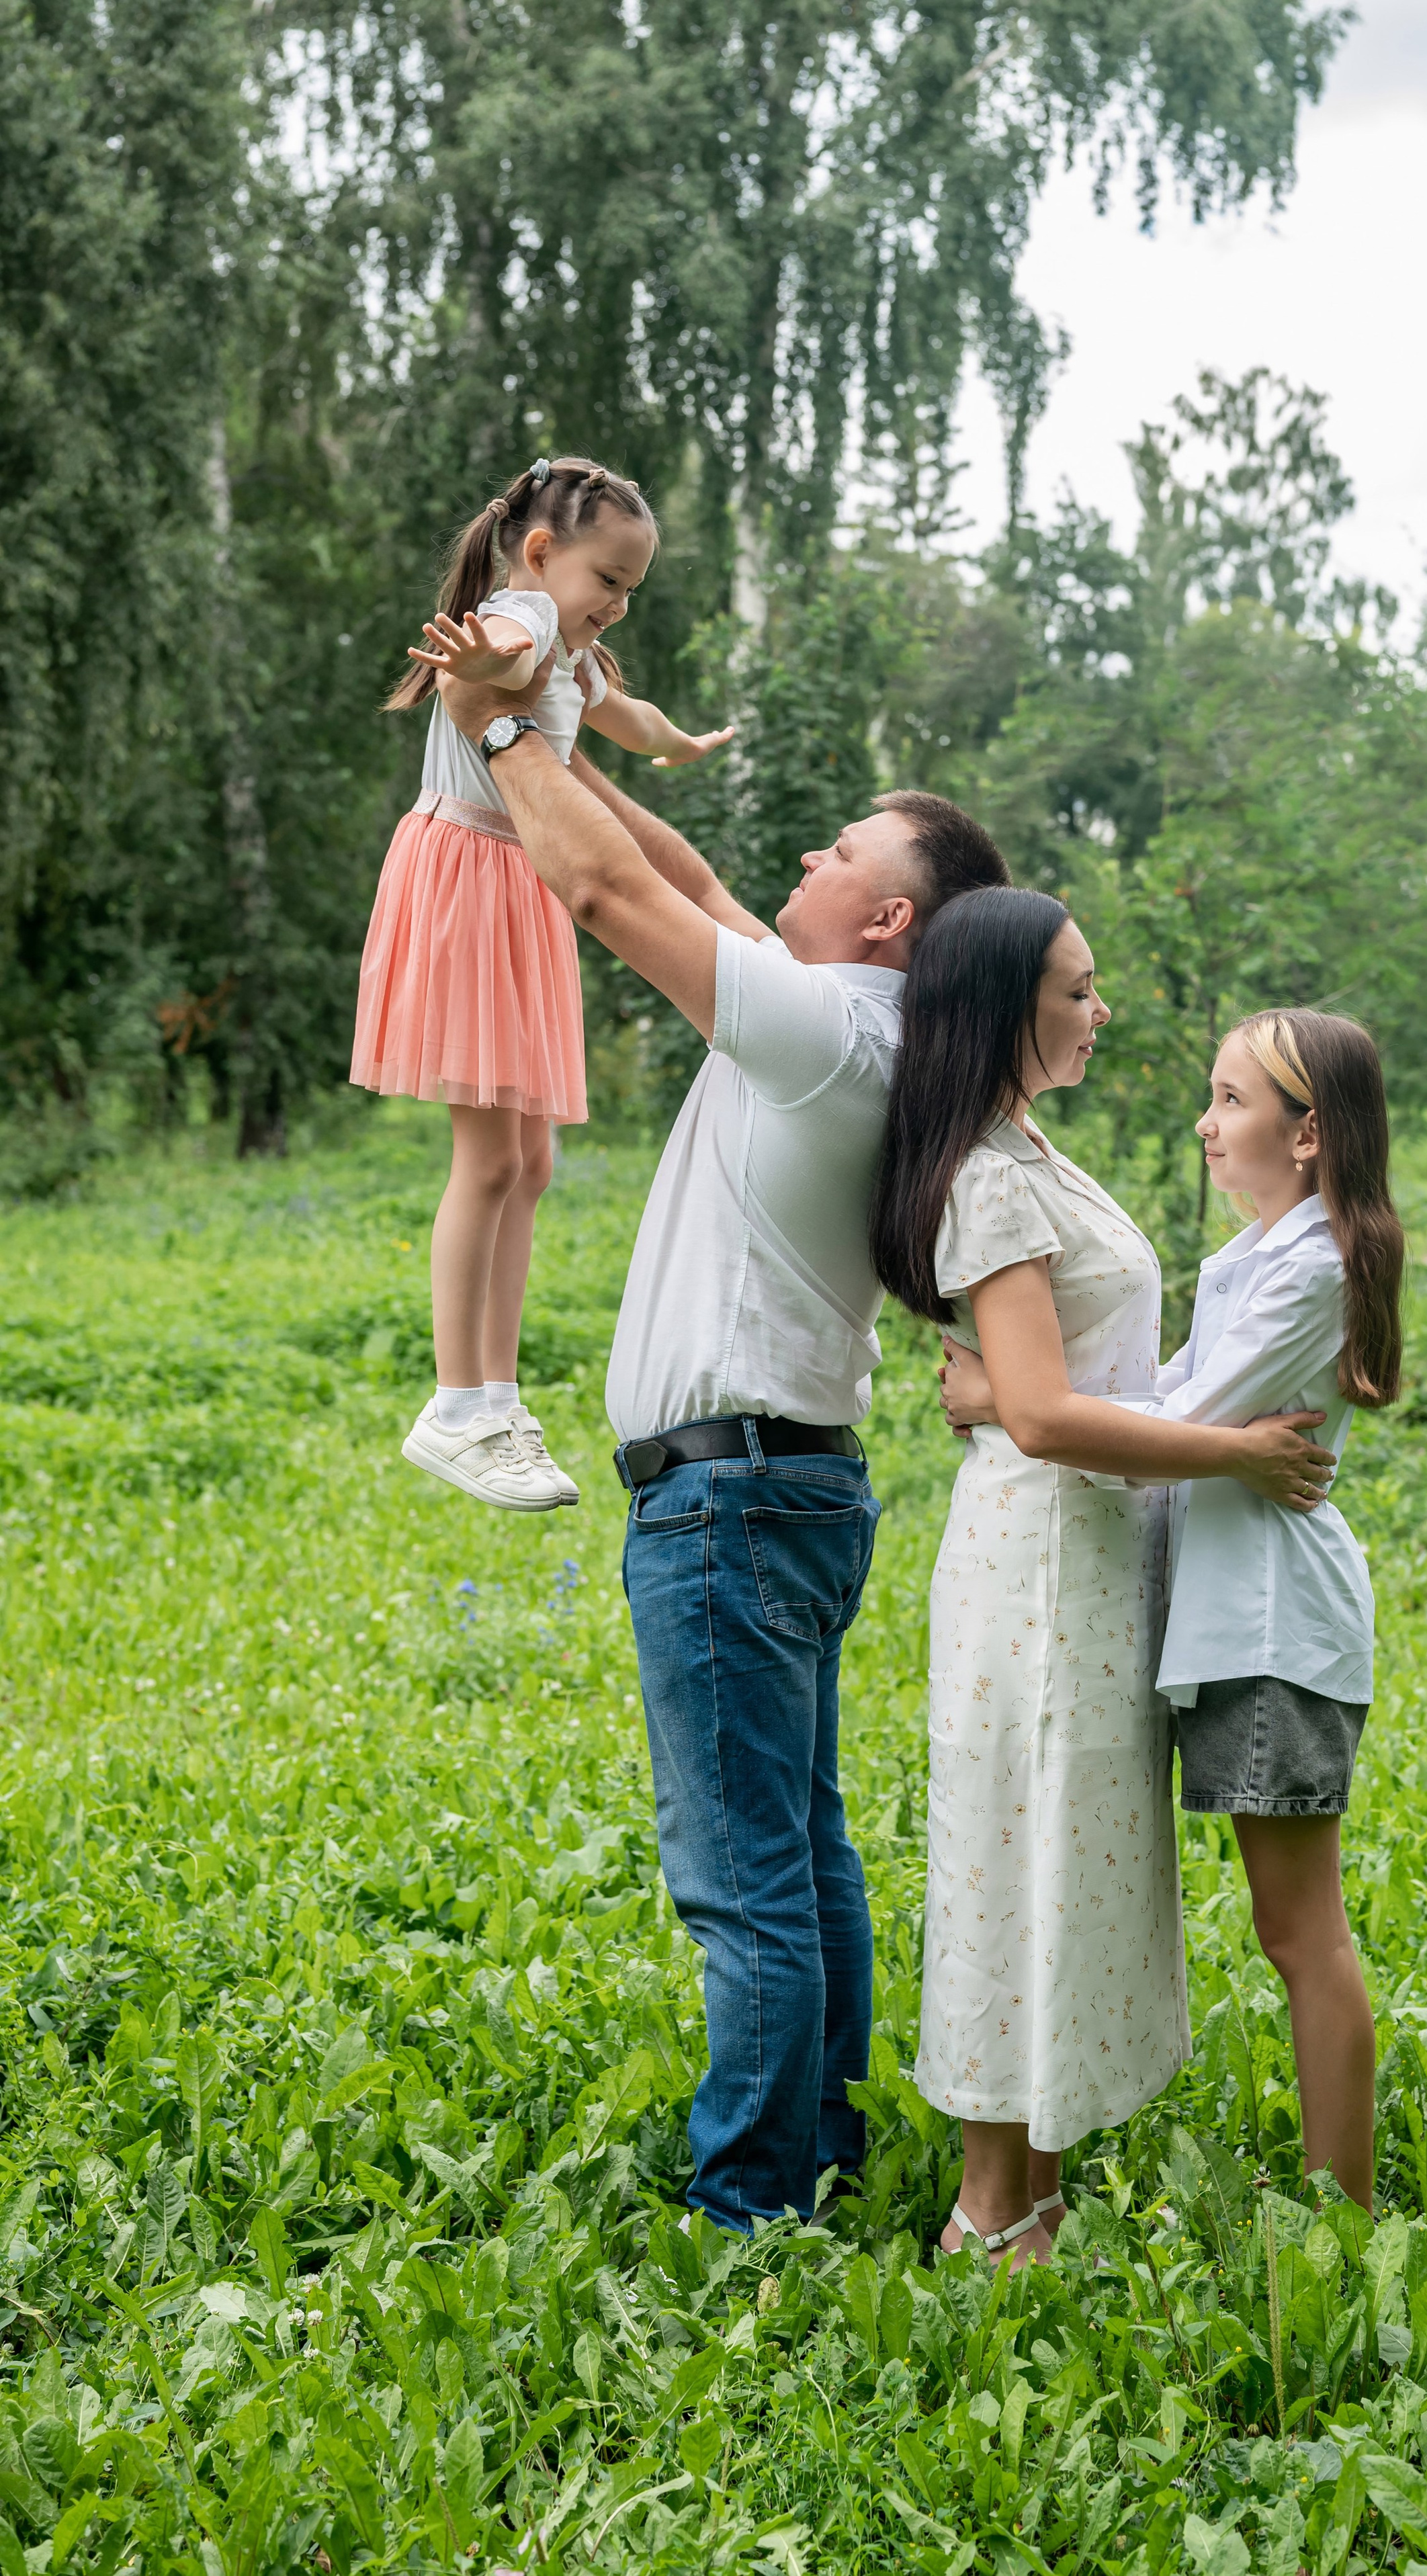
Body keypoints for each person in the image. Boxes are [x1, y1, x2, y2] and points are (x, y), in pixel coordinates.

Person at [408, 618, 1012, 2231]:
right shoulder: (850, 1024)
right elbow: (661, 871)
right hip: (785, 1492)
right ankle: (814, 2145)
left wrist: (496, 731)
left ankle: (753, 2210)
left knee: (744, 1880)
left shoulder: (823, 1039)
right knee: (801, 1854)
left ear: (886, 919)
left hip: (731, 1504)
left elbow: (605, 897)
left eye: (838, 851)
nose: (805, 857)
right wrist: (566, 726)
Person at [870, 890, 1342, 2266]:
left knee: (1067, 1861)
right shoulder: (989, 1175)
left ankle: (1041, 2195)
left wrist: (1021, 1397)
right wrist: (1236, 1452)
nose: (1098, 1010)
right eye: (1076, 990)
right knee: (1005, 1858)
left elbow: (1050, 1385)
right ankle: (984, 2209)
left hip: (1094, 1557)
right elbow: (1045, 1414)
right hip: (1037, 1563)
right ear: (1004, 1003)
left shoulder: (1033, 1156)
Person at [941, 1004, 1401, 2212]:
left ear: (1309, 1136)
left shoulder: (1313, 1266)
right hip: (1228, 1628)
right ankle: (1335, 2194)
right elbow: (1176, 1402)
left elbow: (1172, 1438)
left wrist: (1003, 1397)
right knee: (1288, 1926)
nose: (1207, 1123)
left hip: (1270, 1632)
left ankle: (1345, 2217)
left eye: (1233, 1100)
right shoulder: (1262, 1256)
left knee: (1302, 1931)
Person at [351, 454, 733, 1513]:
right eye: (608, 579)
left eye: (631, 589)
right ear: (540, 553)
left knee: (533, 1161)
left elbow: (628, 716)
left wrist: (683, 743)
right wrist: (480, 649)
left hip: (519, 889)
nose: (617, 604)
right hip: (469, 880)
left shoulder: (572, 643)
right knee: (487, 1161)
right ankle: (455, 1402)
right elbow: (506, 653)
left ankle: (498, 1395)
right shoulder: (519, 618)